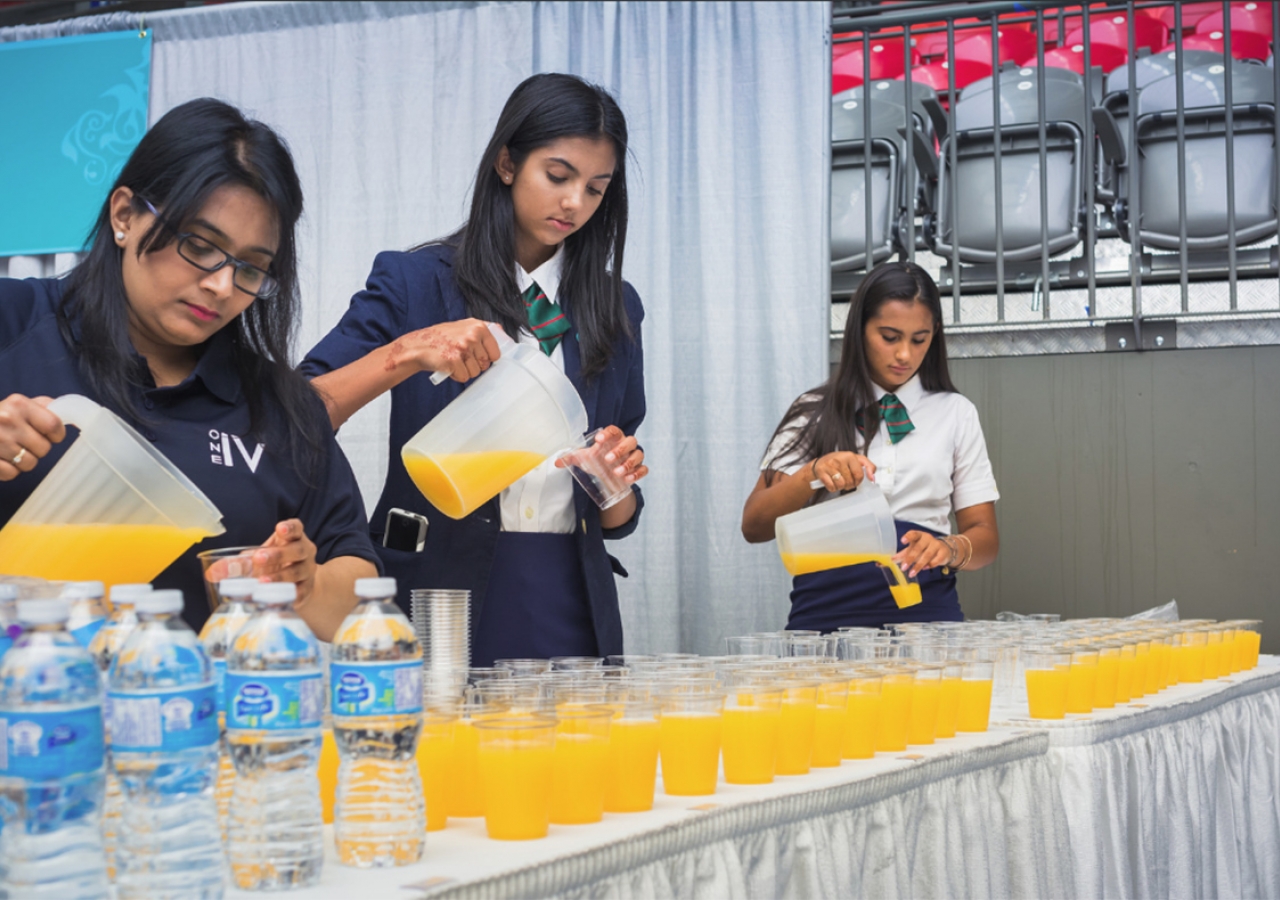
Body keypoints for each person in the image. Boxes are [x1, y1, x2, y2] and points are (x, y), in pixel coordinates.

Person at [301, 73, 648, 665]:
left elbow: (619, 516)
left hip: (571, 594)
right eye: (558, 176)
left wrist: (615, 479)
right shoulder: (415, 282)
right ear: (507, 163)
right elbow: (299, 414)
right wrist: (408, 351)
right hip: (440, 589)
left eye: (596, 189)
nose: (574, 203)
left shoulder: (616, 306)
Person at [0, 98, 379, 639]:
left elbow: (360, 588)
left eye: (251, 268)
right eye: (200, 246)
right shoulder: (13, 324)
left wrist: (308, 584)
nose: (222, 287)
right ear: (125, 215)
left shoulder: (281, 407)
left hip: (204, 714)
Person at [741, 261, 999, 630]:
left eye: (919, 339)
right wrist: (812, 474)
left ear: (935, 334)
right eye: (890, 337)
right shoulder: (813, 411)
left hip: (928, 627)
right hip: (824, 626)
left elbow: (985, 537)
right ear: (859, 330)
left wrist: (950, 548)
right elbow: (754, 525)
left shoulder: (956, 414)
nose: (905, 355)